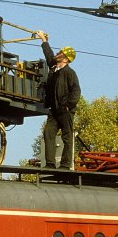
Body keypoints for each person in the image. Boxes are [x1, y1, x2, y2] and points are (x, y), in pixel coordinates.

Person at [37, 31, 81, 169]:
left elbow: (76, 90)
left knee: (67, 137)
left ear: (66, 59)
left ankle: (65, 164)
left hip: (65, 110)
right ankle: (50, 163)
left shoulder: (69, 73)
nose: (58, 53)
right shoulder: (53, 68)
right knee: (48, 133)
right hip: (54, 110)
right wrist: (43, 40)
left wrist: (68, 105)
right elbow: (49, 55)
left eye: (61, 52)